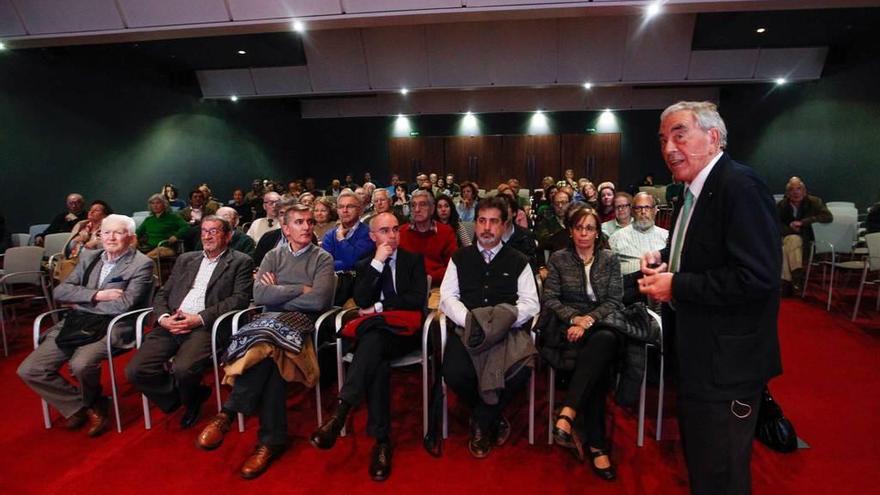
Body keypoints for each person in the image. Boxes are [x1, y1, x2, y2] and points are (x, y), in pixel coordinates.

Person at [639, 101, 782, 495]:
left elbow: (757, 277)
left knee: (722, 474)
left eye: (679, 134)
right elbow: (706, 253)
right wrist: (665, 260)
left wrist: (677, 285)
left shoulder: (740, 186)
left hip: (728, 367)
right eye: (664, 138)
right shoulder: (692, 192)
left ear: (713, 136)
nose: (669, 147)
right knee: (704, 466)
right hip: (700, 356)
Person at [196, 205, 334, 479]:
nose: (307, 226)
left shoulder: (323, 259)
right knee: (269, 358)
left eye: (309, 221)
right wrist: (298, 288)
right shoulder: (273, 255)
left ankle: (229, 413)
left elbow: (318, 300)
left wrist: (277, 291)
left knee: (268, 340)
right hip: (268, 325)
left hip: (303, 325)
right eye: (299, 222)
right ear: (285, 228)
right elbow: (259, 296)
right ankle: (271, 441)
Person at [310, 212, 428, 481]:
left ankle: (341, 411)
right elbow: (360, 297)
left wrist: (379, 307)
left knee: (373, 340)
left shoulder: (412, 261)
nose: (392, 236)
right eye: (384, 231)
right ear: (373, 236)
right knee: (376, 353)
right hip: (377, 338)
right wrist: (377, 263)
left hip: (403, 333)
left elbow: (416, 299)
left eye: (396, 229)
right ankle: (381, 440)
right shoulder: (366, 264)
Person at [18, 214, 154, 437]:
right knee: (30, 369)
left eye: (118, 232)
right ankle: (83, 405)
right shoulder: (90, 257)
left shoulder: (141, 263)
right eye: (106, 232)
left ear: (130, 237)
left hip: (114, 325)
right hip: (77, 323)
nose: (110, 237)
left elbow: (124, 305)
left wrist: (80, 301)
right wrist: (98, 295)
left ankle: (90, 403)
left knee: (81, 364)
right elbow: (60, 292)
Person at [126, 216, 254, 430]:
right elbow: (163, 293)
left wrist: (200, 318)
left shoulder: (240, 261)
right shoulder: (186, 259)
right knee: (135, 370)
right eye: (204, 231)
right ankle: (185, 396)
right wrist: (163, 318)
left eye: (214, 231)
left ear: (228, 236)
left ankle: (190, 401)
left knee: (183, 369)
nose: (207, 236)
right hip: (172, 322)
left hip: (205, 326)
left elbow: (239, 299)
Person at [439, 196, 540, 458]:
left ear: (505, 225)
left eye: (493, 222)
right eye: (482, 221)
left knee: (519, 371)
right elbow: (448, 297)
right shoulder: (460, 257)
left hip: (508, 332)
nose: (486, 228)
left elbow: (530, 303)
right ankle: (491, 414)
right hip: (467, 330)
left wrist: (501, 322)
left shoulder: (518, 260)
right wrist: (471, 322)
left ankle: (482, 421)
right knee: (454, 372)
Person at [542, 207, 623, 481]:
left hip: (602, 323)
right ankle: (597, 445)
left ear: (597, 232)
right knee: (598, 360)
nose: (584, 233)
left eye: (589, 228)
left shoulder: (610, 259)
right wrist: (574, 318)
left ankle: (569, 411)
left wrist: (587, 320)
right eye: (579, 228)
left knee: (604, 339)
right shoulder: (558, 259)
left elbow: (614, 301)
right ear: (571, 231)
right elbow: (551, 299)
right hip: (568, 327)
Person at [609, 192, 668, 304]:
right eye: (639, 208)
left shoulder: (667, 236)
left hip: (662, 295)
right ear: (632, 211)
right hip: (629, 297)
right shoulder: (616, 238)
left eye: (647, 207)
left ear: (655, 210)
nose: (643, 212)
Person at [777, 176, 832, 295]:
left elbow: (827, 217)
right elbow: (775, 224)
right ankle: (797, 280)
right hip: (788, 237)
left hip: (809, 239)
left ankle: (786, 282)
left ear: (804, 191)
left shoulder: (815, 202)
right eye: (792, 189)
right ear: (787, 193)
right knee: (792, 240)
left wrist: (803, 222)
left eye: (798, 189)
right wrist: (791, 228)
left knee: (785, 248)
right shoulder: (782, 205)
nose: (795, 192)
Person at [399, 190, 458, 286]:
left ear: (432, 209)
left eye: (422, 204)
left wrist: (426, 278)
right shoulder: (401, 232)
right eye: (413, 205)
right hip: (408, 286)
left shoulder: (446, 232)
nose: (417, 209)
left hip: (438, 285)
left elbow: (453, 267)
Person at [535, 189, 572, 259]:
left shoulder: (574, 219)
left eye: (564, 202)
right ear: (552, 204)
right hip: (553, 256)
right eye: (557, 203)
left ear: (570, 203)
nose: (560, 206)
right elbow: (543, 239)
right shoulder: (546, 218)